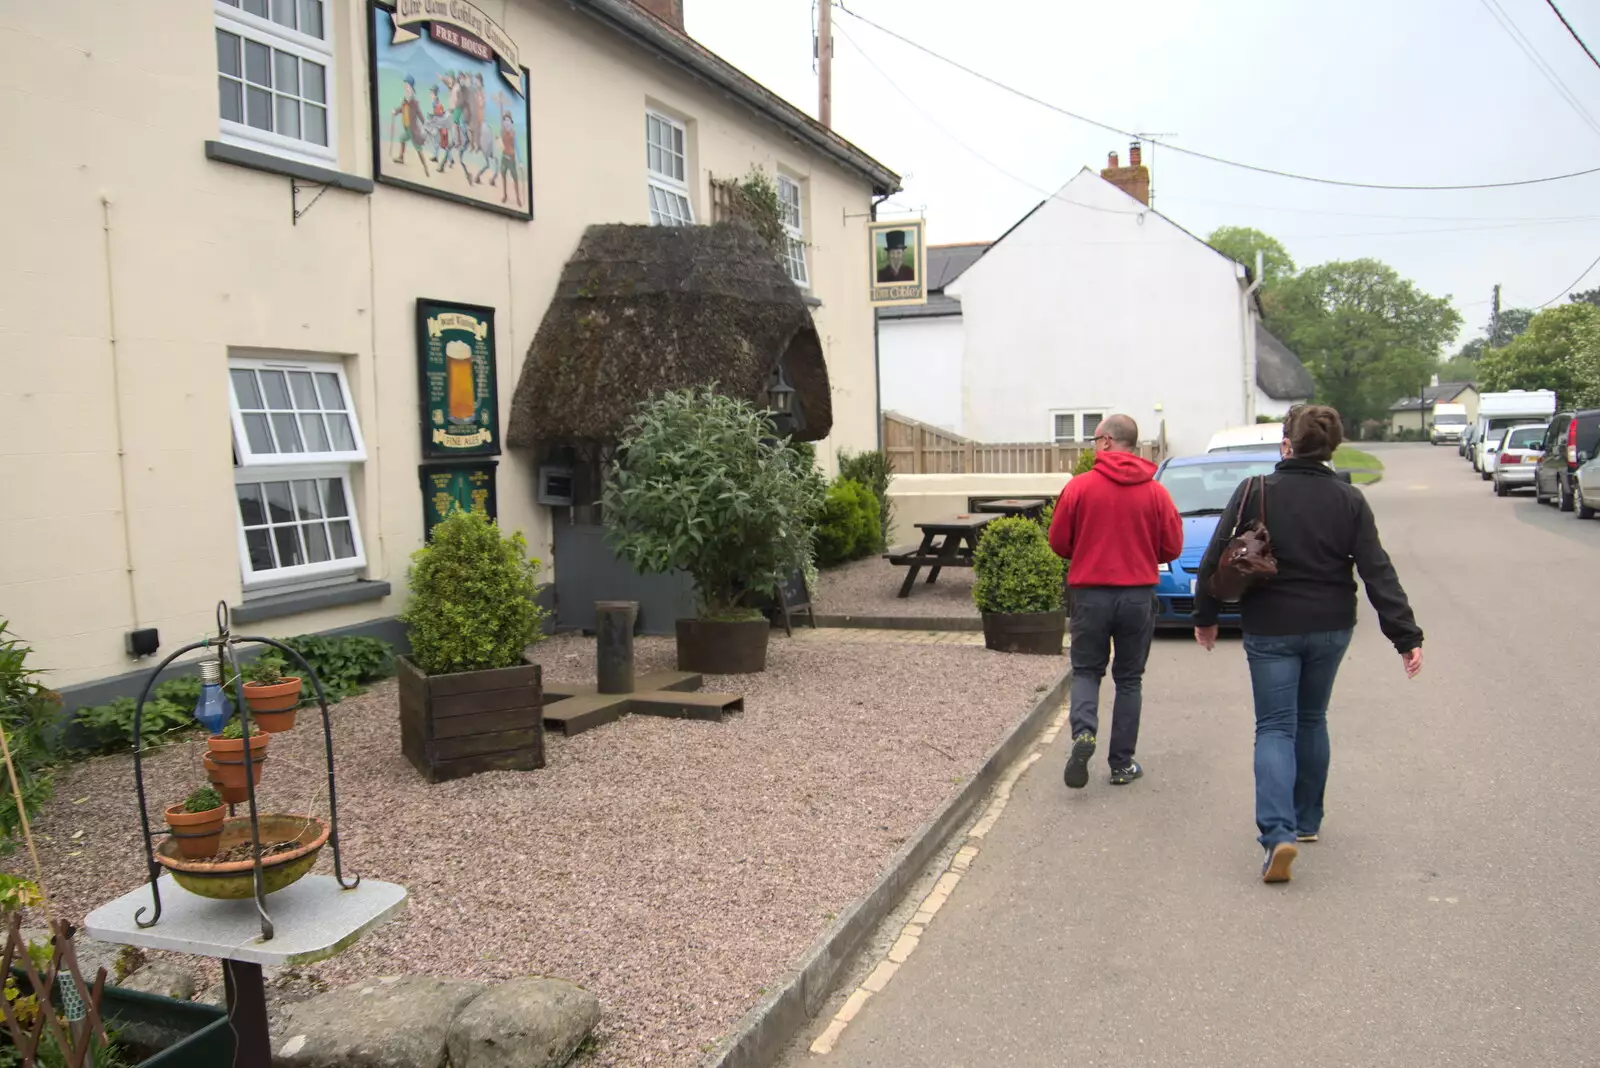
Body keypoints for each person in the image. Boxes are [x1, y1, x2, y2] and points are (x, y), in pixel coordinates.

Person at [1193, 405, 1423, 885]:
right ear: (1331, 448)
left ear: (1287, 444)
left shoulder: (1255, 491)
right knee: (1312, 718)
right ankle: (1307, 820)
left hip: (1271, 625)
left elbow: (1216, 556)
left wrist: (1207, 617)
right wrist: (1405, 635)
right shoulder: (1349, 499)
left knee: (1275, 727)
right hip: (1331, 624)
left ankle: (1278, 834)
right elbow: (1377, 569)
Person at [1047, 415, 1183, 789]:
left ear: (1107, 442)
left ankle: (1083, 734)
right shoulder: (1156, 493)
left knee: (1087, 671)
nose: (1093, 446)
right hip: (1138, 596)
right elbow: (1172, 547)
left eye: (1094, 439)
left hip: (1090, 595)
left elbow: (1058, 541)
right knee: (1128, 679)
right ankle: (1121, 764)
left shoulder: (1079, 488)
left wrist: (1087, 548)